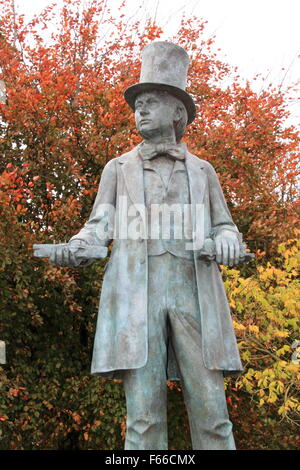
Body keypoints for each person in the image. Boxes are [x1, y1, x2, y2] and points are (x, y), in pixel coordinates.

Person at [50, 41, 243, 450]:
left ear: (178, 112)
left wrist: (226, 241)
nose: (141, 110)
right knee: (143, 419)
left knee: (213, 415)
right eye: (139, 103)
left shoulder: (203, 172)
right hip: (137, 298)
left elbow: (227, 226)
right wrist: (78, 246)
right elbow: (97, 226)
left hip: (194, 294)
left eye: (151, 101)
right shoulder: (116, 169)